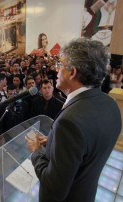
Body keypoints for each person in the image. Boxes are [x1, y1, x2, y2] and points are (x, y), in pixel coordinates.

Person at [25, 38, 121, 202]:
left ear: (72, 72)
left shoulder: (69, 122)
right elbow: (87, 146)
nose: (56, 71)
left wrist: (36, 151)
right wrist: (56, 142)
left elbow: (53, 189)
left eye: (60, 65)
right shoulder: (110, 105)